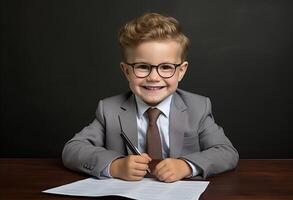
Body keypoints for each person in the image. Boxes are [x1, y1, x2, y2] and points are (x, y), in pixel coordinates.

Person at [62, 12, 239, 182]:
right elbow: (72, 150)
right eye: (142, 66)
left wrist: (186, 165)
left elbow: (226, 152)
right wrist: (115, 165)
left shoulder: (198, 107)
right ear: (126, 71)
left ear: (181, 71)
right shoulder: (109, 110)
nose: (154, 77)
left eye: (166, 67)